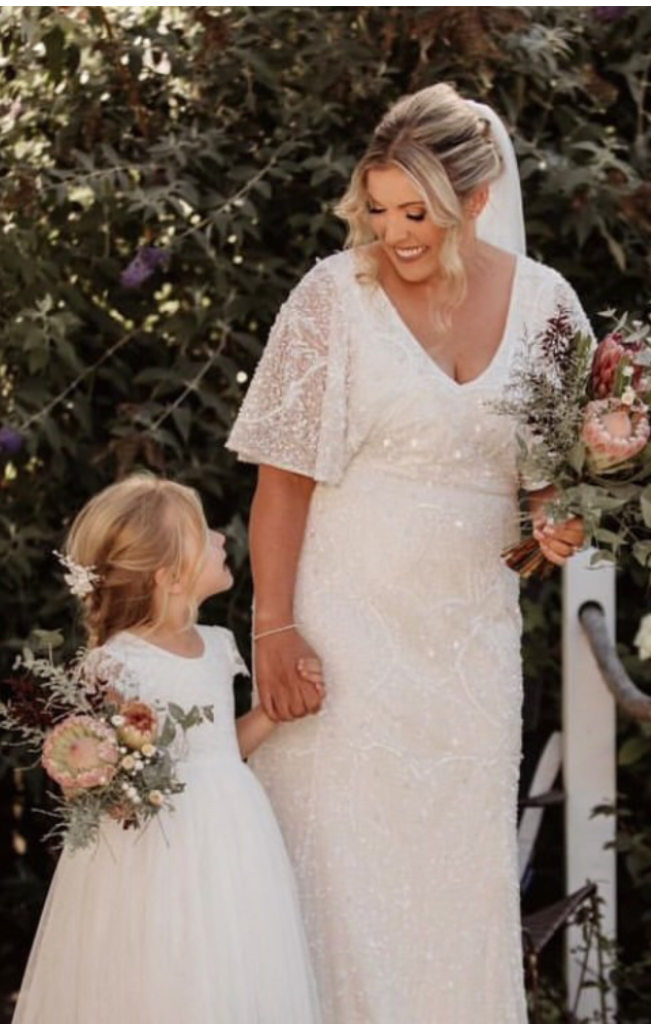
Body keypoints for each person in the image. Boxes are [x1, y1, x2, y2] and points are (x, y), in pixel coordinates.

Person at [227, 82, 590, 1023]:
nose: (395, 233)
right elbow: (282, 481)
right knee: (332, 882)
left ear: (474, 201)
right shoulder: (331, 298)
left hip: (470, 654)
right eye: (379, 209)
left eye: (417, 212)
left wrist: (560, 523)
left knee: (452, 889)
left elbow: (553, 486)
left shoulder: (548, 307)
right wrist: (274, 628)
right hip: (341, 641)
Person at [12, 475, 321, 1024]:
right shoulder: (117, 662)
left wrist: (274, 712)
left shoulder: (218, 646)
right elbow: (96, 755)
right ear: (169, 576)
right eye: (205, 537)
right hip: (157, 843)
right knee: (162, 955)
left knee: (231, 954)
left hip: (232, 828)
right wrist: (102, 772)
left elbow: (225, 748)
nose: (223, 540)